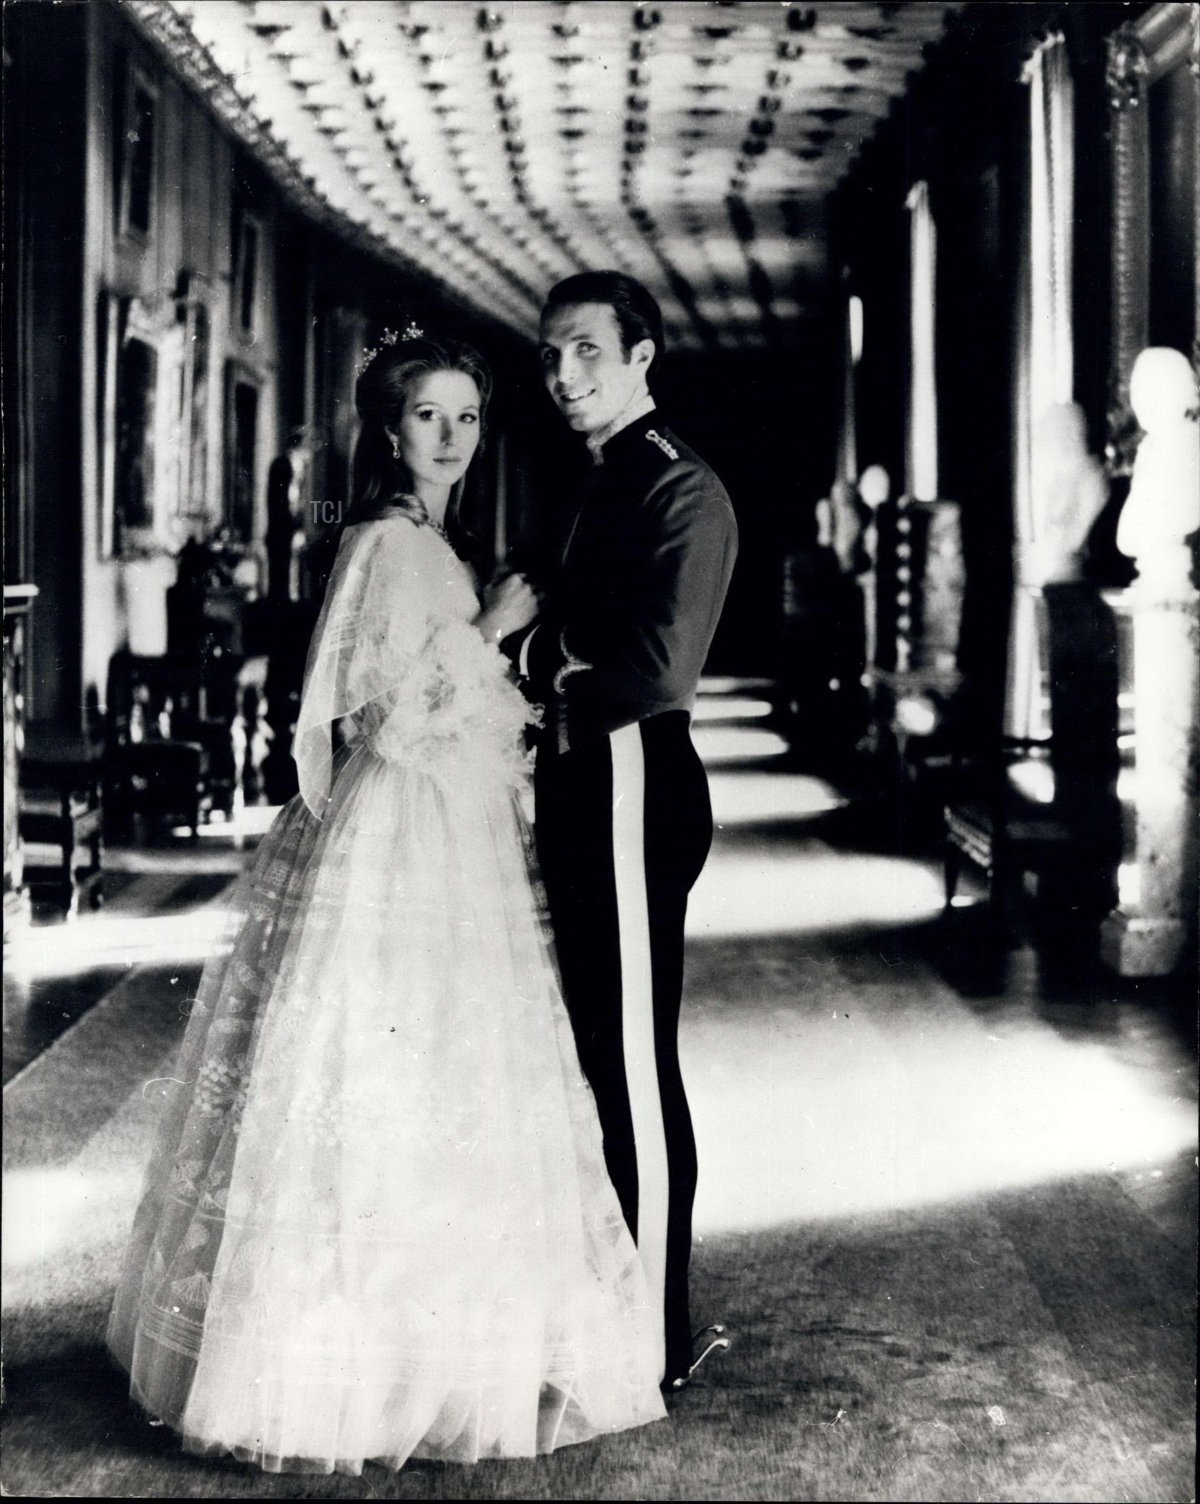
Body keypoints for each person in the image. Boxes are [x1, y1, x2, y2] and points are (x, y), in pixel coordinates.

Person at [107, 331, 667, 1475]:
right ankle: (354, 1368)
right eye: (429, 417)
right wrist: (493, 631)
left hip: (449, 828)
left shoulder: (428, 539)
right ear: (388, 428)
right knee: (381, 1070)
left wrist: (486, 641)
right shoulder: (383, 540)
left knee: (446, 1076)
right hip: (398, 828)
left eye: (467, 417)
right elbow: (379, 720)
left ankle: (436, 1350)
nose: (451, 438)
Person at [515, 272, 738, 1391]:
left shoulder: (676, 488)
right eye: (552, 355)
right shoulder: (593, 481)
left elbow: (650, 672)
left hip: (632, 786)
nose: (564, 376)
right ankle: (623, 1309)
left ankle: (656, 1340)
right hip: (582, 784)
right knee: (602, 1058)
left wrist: (528, 652)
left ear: (643, 356)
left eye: (587, 353)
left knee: (636, 1071)